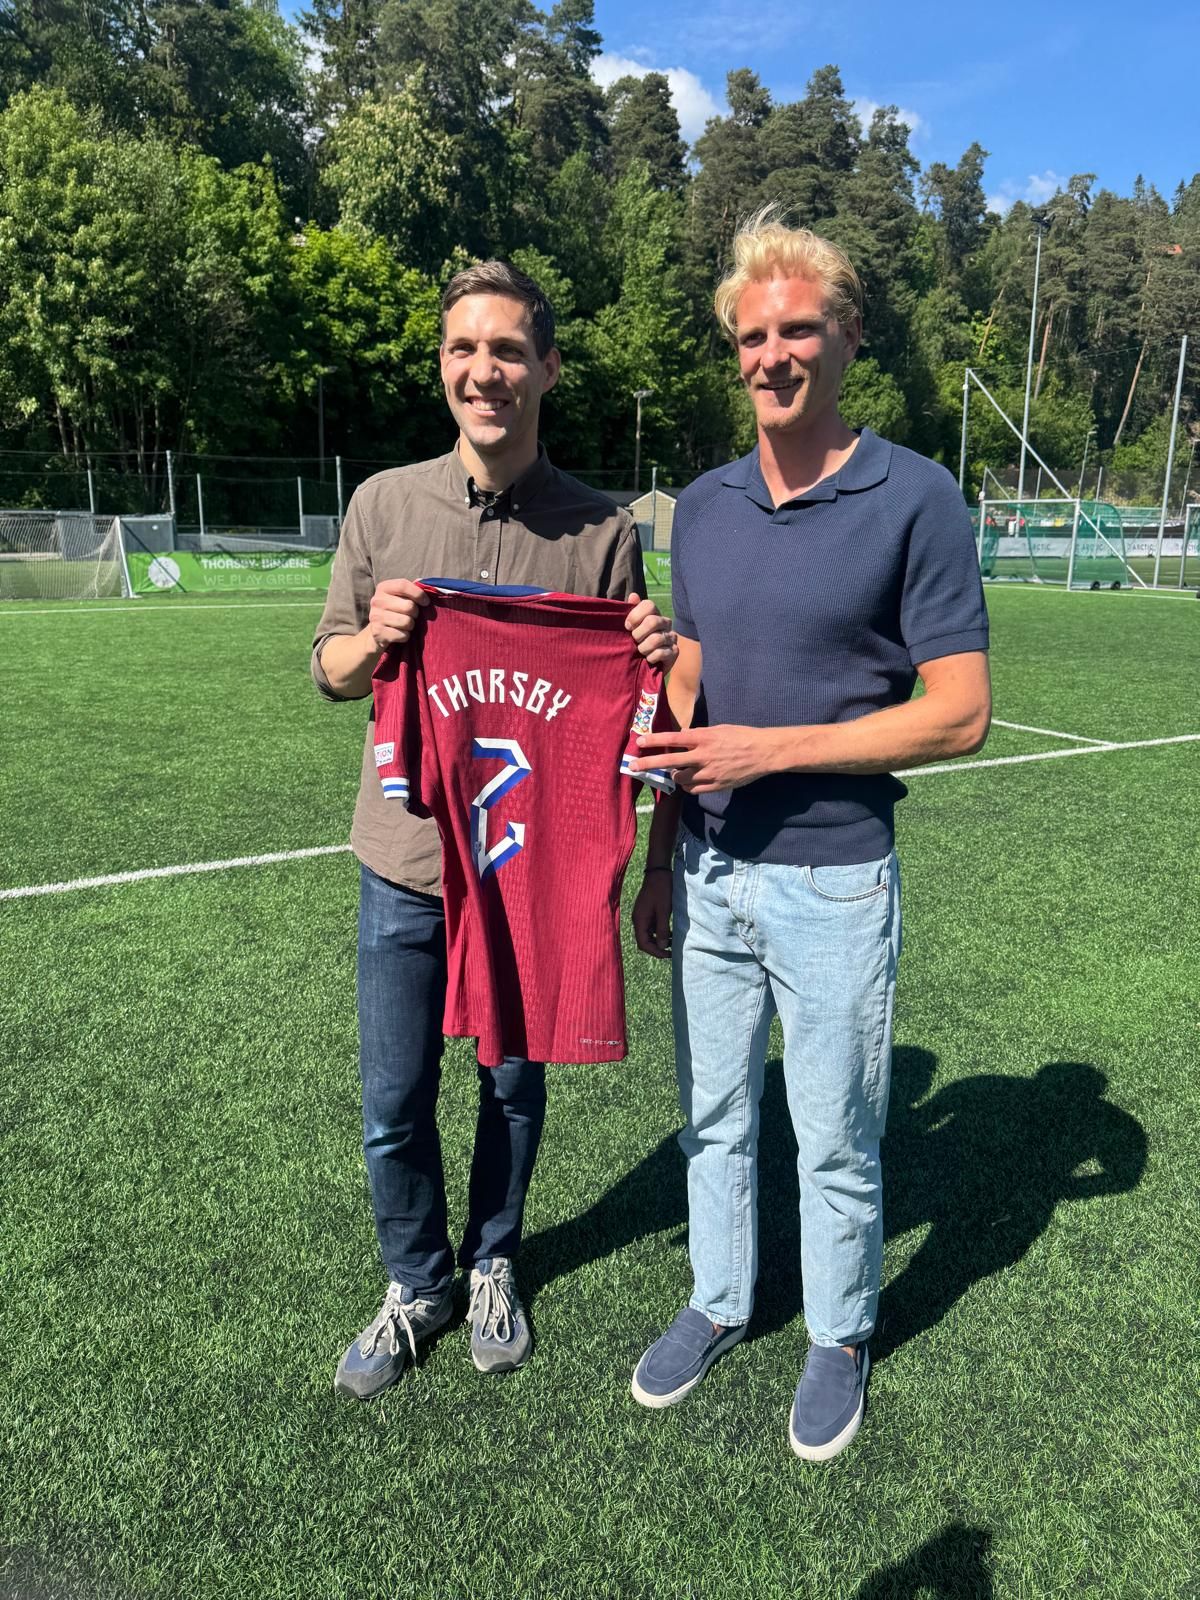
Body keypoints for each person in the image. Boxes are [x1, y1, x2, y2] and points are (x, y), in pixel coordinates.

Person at [627, 211, 991, 1460]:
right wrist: (667, 841)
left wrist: (766, 753)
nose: (772, 354)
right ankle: (718, 1298)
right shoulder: (708, 508)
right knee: (715, 1114)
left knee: (834, 1132)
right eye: (752, 334)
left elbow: (961, 715)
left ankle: (838, 1332)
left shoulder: (917, 498)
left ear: (844, 339)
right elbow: (699, 685)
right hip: (712, 867)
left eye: (797, 330)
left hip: (834, 877)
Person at [313, 259, 675, 1399]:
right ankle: (415, 1281)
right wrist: (374, 637)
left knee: (514, 1082)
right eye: (466, 350)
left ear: (547, 369)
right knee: (392, 1096)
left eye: (510, 351)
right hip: (409, 861)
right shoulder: (383, 504)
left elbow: (639, 710)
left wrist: (662, 664)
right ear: (443, 367)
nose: (487, 371)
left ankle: (494, 1259)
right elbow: (326, 670)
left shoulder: (603, 531)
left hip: (529, 864)